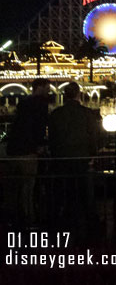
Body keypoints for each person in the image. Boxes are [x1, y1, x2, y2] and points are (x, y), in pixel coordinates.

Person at [48, 82, 99, 236]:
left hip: (62, 157)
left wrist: (55, 154)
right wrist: (93, 154)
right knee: (85, 190)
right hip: (82, 157)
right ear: (78, 94)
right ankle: (89, 222)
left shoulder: (56, 114)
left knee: (65, 190)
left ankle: (64, 220)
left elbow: (53, 138)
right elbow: (93, 136)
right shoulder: (87, 113)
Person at [5, 78, 51, 228]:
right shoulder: (41, 104)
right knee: (28, 187)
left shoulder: (23, 103)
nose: (49, 91)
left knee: (14, 186)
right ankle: (29, 218)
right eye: (47, 88)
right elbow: (39, 126)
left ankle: (12, 217)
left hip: (13, 149)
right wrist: (41, 145)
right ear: (40, 88)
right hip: (28, 150)